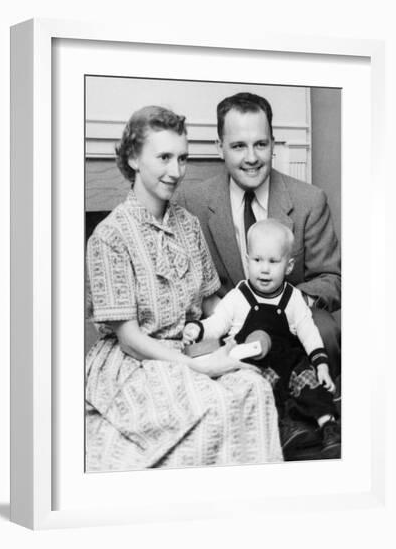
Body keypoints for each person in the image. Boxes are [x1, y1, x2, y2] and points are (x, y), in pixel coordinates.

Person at [85, 105, 283, 472]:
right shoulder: (110, 236)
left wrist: (237, 337)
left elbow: (211, 302)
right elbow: (129, 339)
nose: (176, 171)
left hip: (193, 345)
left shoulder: (188, 225)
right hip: (139, 361)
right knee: (210, 403)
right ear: (132, 158)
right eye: (163, 157)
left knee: (254, 388)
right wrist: (200, 367)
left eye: (182, 158)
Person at [175, 92, 341, 381]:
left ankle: (309, 415)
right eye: (238, 146)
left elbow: (332, 279)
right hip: (228, 320)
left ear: (273, 144)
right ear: (220, 147)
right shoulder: (193, 202)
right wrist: (219, 312)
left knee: (325, 329)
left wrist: (287, 303)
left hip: (290, 321)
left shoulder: (310, 200)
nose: (251, 158)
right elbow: (186, 281)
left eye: (261, 144)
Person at [183, 219, 341, 458]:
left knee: (312, 385)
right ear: (248, 261)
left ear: (288, 266)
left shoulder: (293, 297)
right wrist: (198, 329)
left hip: (290, 360)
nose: (264, 269)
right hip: (253, 364)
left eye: (273, 262)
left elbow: (309, 332)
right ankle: (283, 429)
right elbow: (218, 323)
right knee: (262, 390)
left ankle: (328, 426)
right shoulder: (239, 296)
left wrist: (321, 365)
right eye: (257, 260)